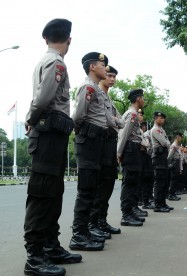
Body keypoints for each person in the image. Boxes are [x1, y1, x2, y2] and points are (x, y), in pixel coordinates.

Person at [23, 18, 80, 276]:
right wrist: (30, 118)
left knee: (53, 193)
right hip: (47, 135)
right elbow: (43, 98)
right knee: (43, 195)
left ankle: (50, 245)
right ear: (69, 40)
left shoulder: (45, 61)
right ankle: (35, 257)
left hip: (51, 136)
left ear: (45, 38)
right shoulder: (56, 63)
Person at [70, 52, 111, 251]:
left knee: (92, 188)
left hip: (96, 140)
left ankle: (84, 232)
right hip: (89, 139)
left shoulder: (95, 89)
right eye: (103, 65)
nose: (106, 68)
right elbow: (78, 115)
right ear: (92, 67)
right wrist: (82, 132)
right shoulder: (87, 87)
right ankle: (78, 235)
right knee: (86, 190)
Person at [89, 65, 123, 236]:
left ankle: (102, 220)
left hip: (111, 141)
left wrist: (115, 120)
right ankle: (93, 223)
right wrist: (115, 120)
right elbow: (111, 121)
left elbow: (121, 122)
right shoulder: (97, 94)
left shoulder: (109, 100)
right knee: (100, 183)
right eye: (109, 75)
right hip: (101, 141)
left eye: (114, 76)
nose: (112, 79)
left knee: (108, 183)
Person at [117, 89, 146, 226]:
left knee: (133, 182)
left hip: (134, 151)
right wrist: (119, 152)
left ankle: (131, 212)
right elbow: (124, 134)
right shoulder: (132, 114)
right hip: (130, 150)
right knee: (129, 183)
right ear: (138, 99)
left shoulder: (133, 114)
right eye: (143, 98)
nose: (144, 101)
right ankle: (126, 215)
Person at [151, 111, 172, 212]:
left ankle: (163, 203)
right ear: (156, 118)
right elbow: (165, 143)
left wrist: (168, 143)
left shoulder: (161, 130)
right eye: (160, 118)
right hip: (158, 157)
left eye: (163, 118)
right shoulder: (155, 130)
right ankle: (158, 205)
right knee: (159, 182)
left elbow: (168, 143)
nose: (162, 120)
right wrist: (168, 143)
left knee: (164, 181)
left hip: (163, 157)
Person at [167, 133, 184, 201]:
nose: (181, 139)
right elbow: (169, 156)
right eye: (181, 137)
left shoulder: (177, 146)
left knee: (175, 180)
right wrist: (169, 164)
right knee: (173, 180)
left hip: (177, 163)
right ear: (177, 137)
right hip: (174, 163)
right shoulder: (174, 146)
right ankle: (171, 195)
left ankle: (173, 194)